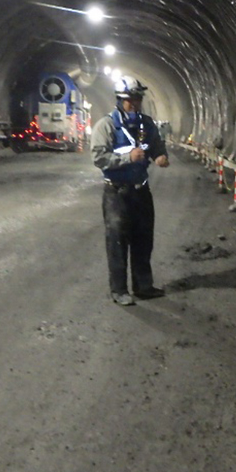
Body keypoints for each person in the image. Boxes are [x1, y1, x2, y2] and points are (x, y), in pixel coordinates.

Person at [91, 76, 170, 306]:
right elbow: (98, 158)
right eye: (131, 100)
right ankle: (119, 290)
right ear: (120, 100)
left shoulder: (147, 124)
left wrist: (160, 156)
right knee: (117, 242)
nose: (136, 104)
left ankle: (143, 286)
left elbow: (156, 145)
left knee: (143, 240)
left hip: (141, 192)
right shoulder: (106, 126)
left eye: (138, 99)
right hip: (117, 194)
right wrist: (127, 157)